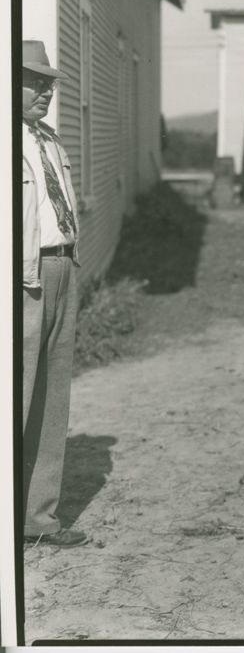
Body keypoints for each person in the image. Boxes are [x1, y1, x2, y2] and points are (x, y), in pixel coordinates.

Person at [21, 39, 87, 548]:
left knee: (52, 397)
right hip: (23, 278)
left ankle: (38, 518)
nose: (45, 90)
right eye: (33, 80)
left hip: (64, 268)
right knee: (14, 396)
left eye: (48, 83)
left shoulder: (51, 141)